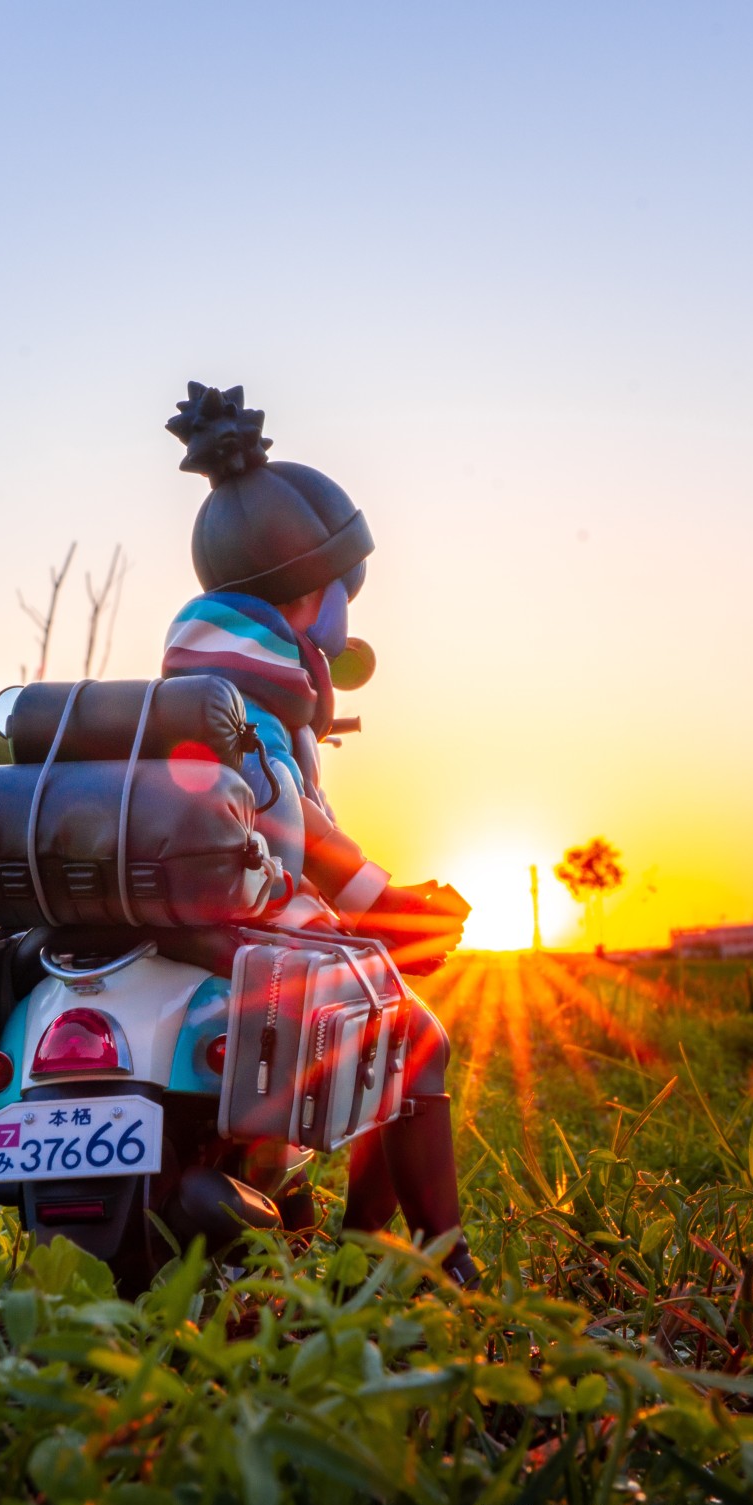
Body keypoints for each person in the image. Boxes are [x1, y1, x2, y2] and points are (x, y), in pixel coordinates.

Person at [162, 382, 480, 1288]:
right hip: (252, 937)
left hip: (155, 937)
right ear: (308, 595)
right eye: (342, 588)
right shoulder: (257, 713)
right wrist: (391, 900)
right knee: (414, 1039)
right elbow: (304, 836)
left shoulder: (185, 689)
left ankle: (287, 1217)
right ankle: (421, 1255)